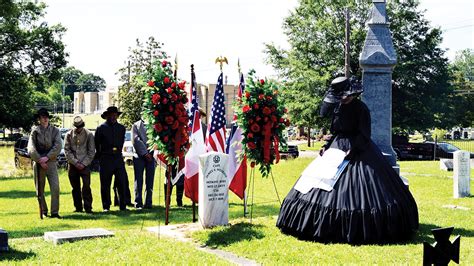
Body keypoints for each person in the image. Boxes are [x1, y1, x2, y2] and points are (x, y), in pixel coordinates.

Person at [276, 77, 419, 244]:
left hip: (359, 150)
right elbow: (334, 130)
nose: (342, 99)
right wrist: (327, 144)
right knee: (319, 184)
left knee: (361, 189)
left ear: (351, 93)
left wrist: (354, 149)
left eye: (344, 96)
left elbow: (364, 133)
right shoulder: (337, 107)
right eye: (339, 97)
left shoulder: (361, 109)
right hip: (336, 148)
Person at [27, 108, 63, 218]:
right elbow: (31, 148)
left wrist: (46, 157)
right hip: (38, 164)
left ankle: (55, 212)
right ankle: (43, 210)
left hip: (51, 162)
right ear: (39, 119)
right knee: (40, 189)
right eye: (43, 117)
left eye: (47, 117)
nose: (45, 119)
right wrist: (39, 159)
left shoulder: (55, 130)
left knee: (55, 188)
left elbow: (58, 146)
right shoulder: (35, 131)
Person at [95, 106, 129, 212]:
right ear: (107, 116)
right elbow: (97, 144)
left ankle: (122, 205)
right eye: (111, 115)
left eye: (115, 115)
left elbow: (121, 142)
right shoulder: (101, 128)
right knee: (105, 183)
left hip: (118, 157)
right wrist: (100, 157)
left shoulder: (121, 128)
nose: (114, 117)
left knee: (122, 182)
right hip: (106, 157)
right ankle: (106, 206)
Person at [64, 116, 95, 213]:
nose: (78, 129)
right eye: (77, 127)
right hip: (73, 165)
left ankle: (88, 207)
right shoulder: (68, 135)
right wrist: (75, 162)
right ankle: (78, 207)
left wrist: (83, 163)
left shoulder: (89, 134)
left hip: (85, 165)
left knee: (86, 186)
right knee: (75, 187)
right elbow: (67, 150)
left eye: (80, 126)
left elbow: (91, 152)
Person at [132, 119, 155, 209]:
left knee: (150, 180)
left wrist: (151, 152)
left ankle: (148, 202)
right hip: (139, 156)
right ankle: (138, 202)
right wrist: (145, 153)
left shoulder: (154, 123)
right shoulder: (136, 125)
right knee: (138, 180)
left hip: (152, 155)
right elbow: (135, 140)